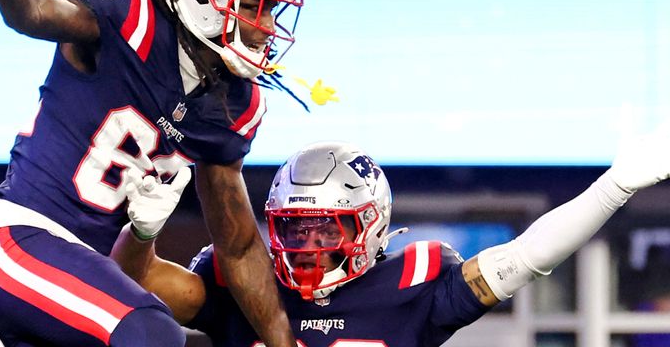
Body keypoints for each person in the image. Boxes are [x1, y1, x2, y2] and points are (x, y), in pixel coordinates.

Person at [0, 0, 303, 346]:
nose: (264, 25)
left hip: (87, 279)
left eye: (271, 8)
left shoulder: (234, 104)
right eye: (251, 4)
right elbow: (36, 12)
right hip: (21, 239)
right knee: (152, 332)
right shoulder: (130, 14)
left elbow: (239, 246)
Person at [111, 126, 670, 346]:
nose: (307, 246)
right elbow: (127, 286)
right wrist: (141, 230)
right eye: (294, 229)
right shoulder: (239, 277)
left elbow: (525, 257)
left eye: (324, 227)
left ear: (370, 224)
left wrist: (613, 187)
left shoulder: (414, 282)